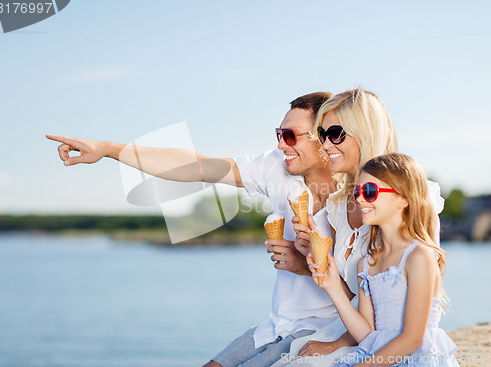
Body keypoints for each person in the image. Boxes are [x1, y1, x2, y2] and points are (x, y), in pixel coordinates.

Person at [46, 92, 342, 367]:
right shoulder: (275, 165)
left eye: (290, 136)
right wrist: (108, 149)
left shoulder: (359, 194)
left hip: (325, 331)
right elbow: (196, 166)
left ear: (323, 138)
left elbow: (371, 286)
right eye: (278, 135)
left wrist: (306, 266)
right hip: (276, 326)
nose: (280, 145)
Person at [273, 88, 444, 366]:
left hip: (377, 347)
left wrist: (337, 345)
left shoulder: (414, 198)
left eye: (335, 134)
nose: (325, 145)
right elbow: (357, 297)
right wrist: (312, 260)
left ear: (364, 132)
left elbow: (411, 324)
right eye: (322, 135)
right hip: (359, 334)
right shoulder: (339, 206)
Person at [310, 153, 459, 366]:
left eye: (369, 192)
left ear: (403, 199)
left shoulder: (418, 257)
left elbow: (412, 339)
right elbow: (368, 335)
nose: (360, 198)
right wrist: (332, 287)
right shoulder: (367, 264)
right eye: (357, 191)